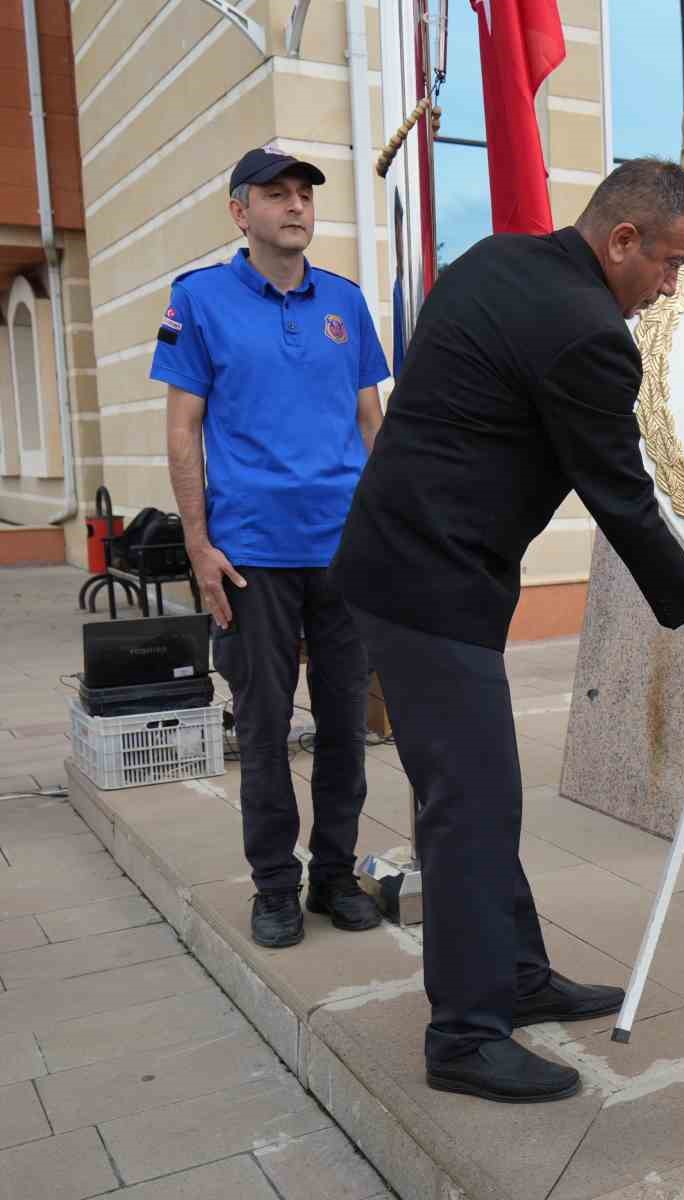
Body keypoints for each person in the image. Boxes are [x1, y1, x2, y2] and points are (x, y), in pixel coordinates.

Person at [329, 160, 684, 1105]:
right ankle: (466, 1035)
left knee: (478, 793)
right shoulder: (588, 334)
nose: (671, 286)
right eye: (672, 263)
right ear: (622, 241)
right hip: (428, 583)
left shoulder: (494, 260)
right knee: (471, 804)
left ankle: (515, 977)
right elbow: (622, 500)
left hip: (407, 565)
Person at [155, 148, 389, 950]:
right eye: (275, 194)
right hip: (250, 553)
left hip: (344, 552)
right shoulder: (200, 302)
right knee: (261, 730)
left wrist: (384, 530)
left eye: (303, 195)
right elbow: (183, 429)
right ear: (239, 211)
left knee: (342, 730)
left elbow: (371, 423)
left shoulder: (347, 304)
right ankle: (275, 889)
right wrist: (198, 544)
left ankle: (333, 875)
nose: (295, 206)